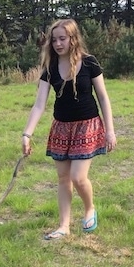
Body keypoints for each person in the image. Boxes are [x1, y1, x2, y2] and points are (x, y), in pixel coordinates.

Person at [22, 18, 116, 240]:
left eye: (62, 38)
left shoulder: (90, 63)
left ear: (73, 38)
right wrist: (27, 134)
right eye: (54, 40)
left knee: (78, 177)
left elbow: (103, 97)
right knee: (63, 178)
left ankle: (90, 208)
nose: (57, 44)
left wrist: (110, 130)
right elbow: (39, 105)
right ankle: (64, 226)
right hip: (61, 128)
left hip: (87, 126)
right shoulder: (50, 68)